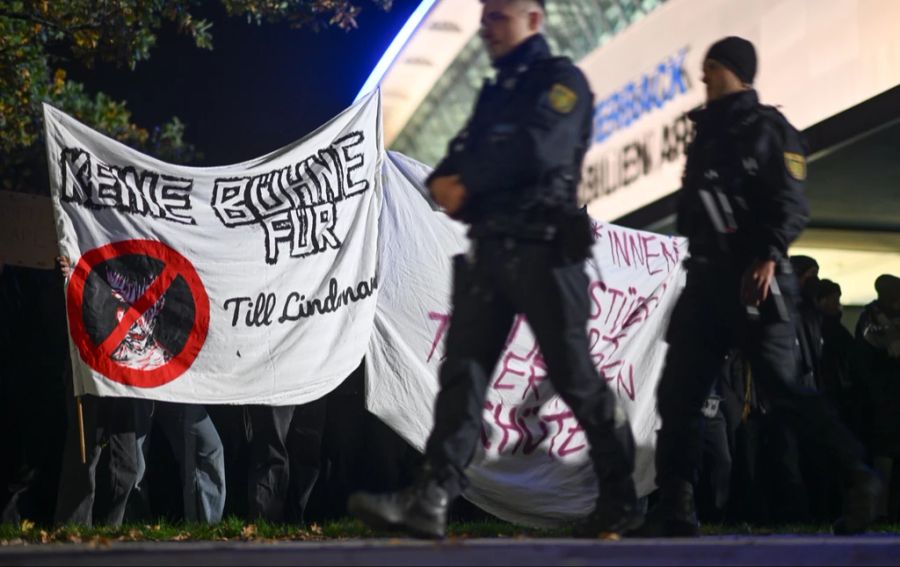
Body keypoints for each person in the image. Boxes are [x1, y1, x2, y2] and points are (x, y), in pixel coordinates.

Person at [348, 0, 641, 539]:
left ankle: (621, 495)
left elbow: (538, 153)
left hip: (544, 248)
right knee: (463, 377)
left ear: (533, 19)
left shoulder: (561, 80)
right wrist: (462, 180)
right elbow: (452, 166)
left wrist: (470, 181)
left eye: (498, 15)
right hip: (489, 251)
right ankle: (432, 499)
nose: (487, 27)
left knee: (574, 376)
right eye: (484, 17)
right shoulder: (494, 92)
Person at [643, 36, 881, 536]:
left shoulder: (771, 130)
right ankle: (676, 507)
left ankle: (859, 478)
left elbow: (791, 205)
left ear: (726, 68)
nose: (701, 77)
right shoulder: (706, 134)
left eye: (708, 68)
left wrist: (768, 256)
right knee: (679, 394)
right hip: (706, 282)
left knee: (786, 391)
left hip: (755, 279)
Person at [856, 274, 900, 521]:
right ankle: (881, 512)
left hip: (886, 399)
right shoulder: (872, 323)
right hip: (883, 401)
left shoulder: (871, 320)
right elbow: (866, 366)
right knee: (884, 456)